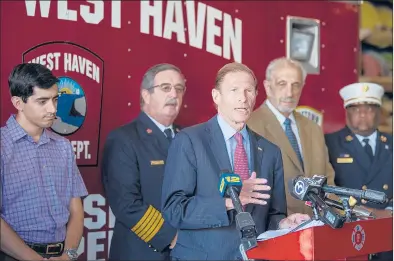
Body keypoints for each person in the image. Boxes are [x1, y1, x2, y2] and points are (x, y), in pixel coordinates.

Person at [161, 62, 309, 260]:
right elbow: (174, 210)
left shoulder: (270, 151)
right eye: (234, 90)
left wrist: (284, 225)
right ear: (216, 96)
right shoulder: (190, 141)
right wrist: (231, 202)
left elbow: (273, 214)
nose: (243, 97)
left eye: (249, 90)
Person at [0, 63, 88, 261]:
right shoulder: (3, 146)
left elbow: (76, 210)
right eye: (42, 101)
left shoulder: (63, 146)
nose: (53, 109)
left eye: (55, 99)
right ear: (18, 103)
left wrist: (68, 255)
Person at [101, 63, 185, 260]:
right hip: (142, 251)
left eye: (179, 89)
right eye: (165, 88)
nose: (174, 94)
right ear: (146, 95)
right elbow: (126, 203)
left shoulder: (188, 138)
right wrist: (172, 237)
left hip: (187, 251)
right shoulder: (124, 139)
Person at [247, 57, 335, 215]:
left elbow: (328, 182)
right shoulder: (250, 126)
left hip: (317, 226)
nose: (289, 92)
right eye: (282, 84)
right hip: (274, 229)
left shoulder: (313, 128)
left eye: (296, 85)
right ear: (268, 87)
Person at [325, 82, 392, 261]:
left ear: (379, 112)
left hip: (387, 230)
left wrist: (390, 212)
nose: (362, 113)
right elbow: (326, 188)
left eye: (369, 109)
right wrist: (362, 211)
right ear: (346, 112)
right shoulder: (329, 143)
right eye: (355, 109)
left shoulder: (392, 143)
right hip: (348, 230)